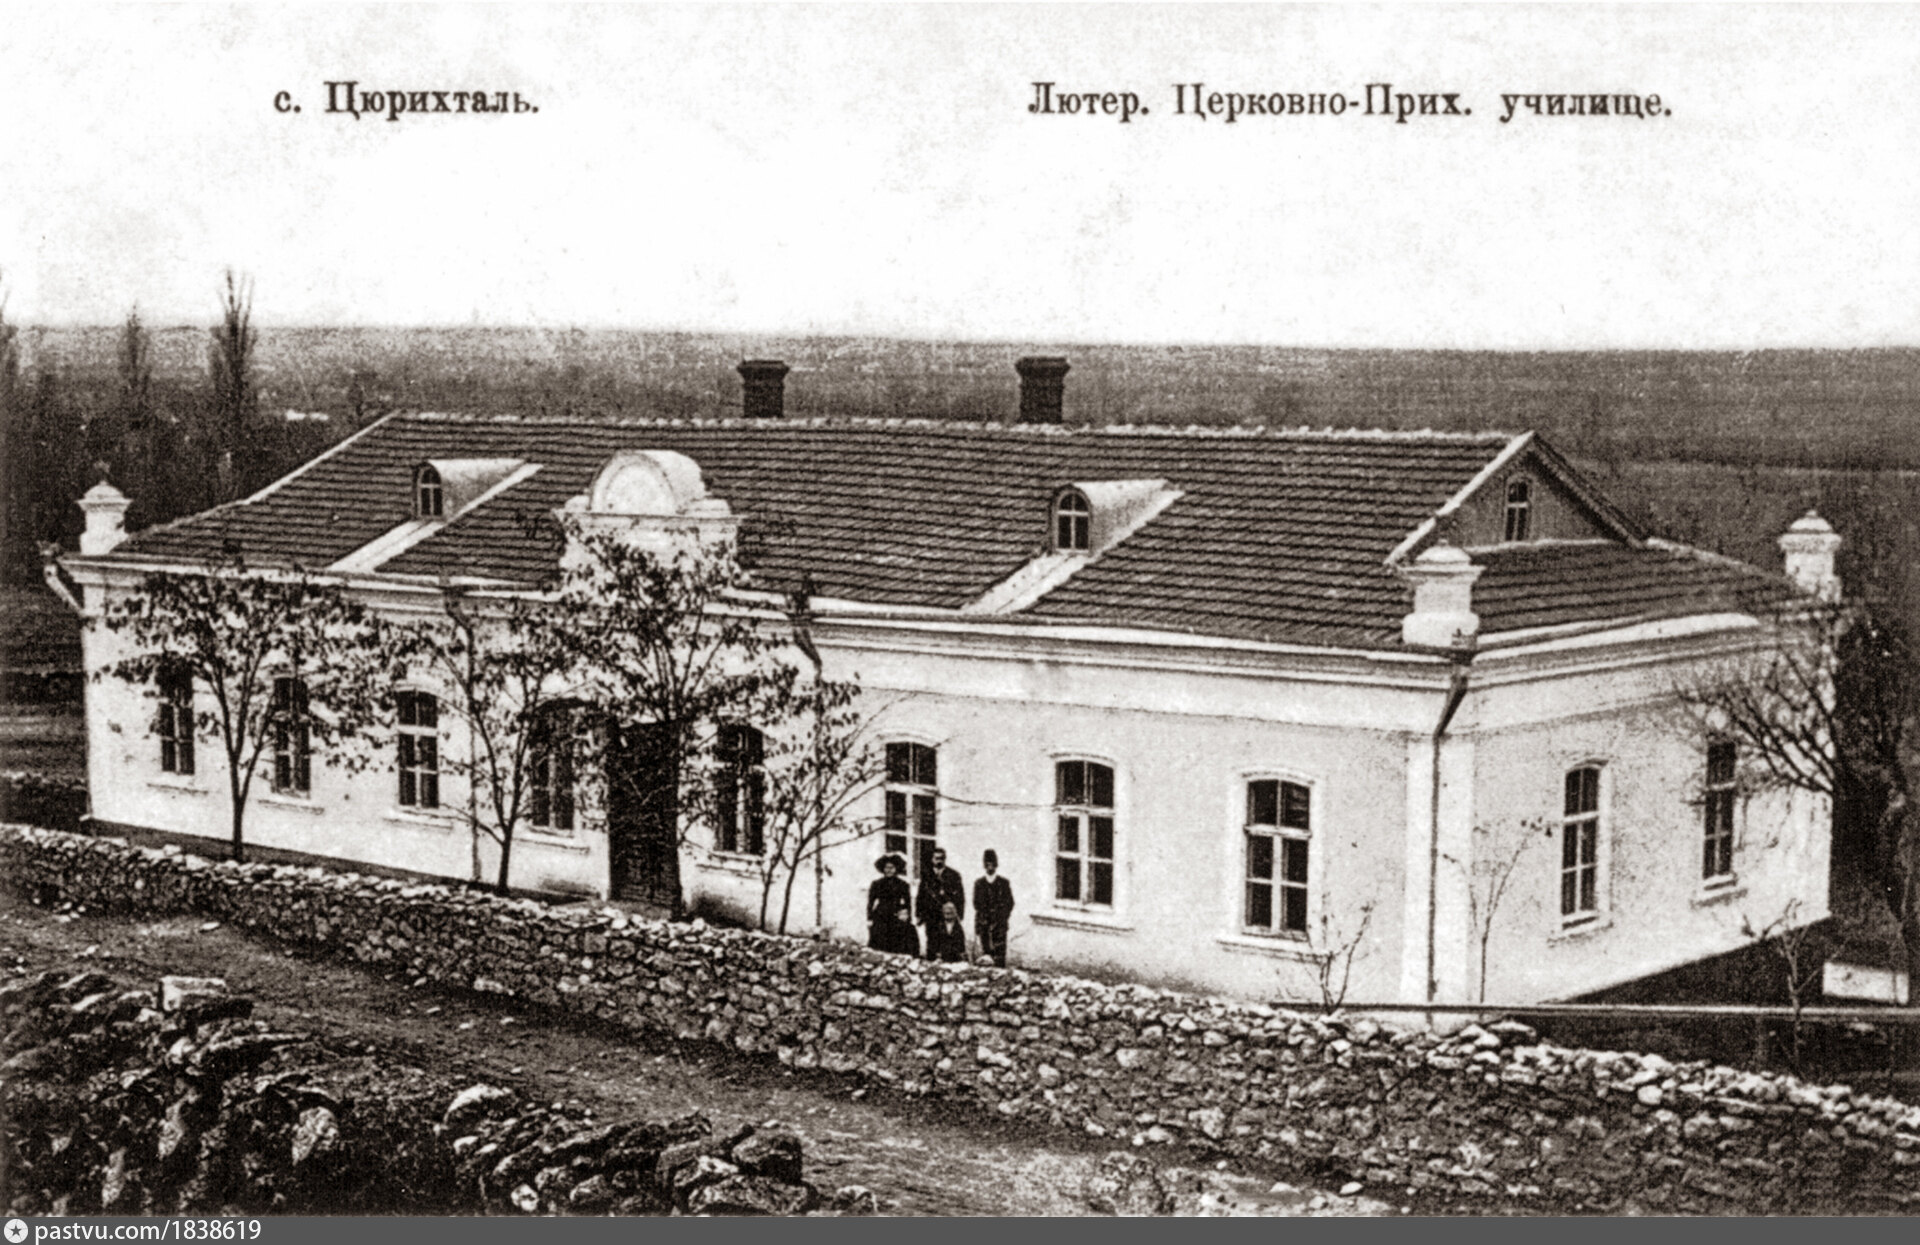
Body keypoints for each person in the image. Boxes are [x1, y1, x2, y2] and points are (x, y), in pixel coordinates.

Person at [915, 847, 967, 955]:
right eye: (936, 858)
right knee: (932, 943)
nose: (939, 861)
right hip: (931, 915)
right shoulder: (927, 875)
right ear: (932, 859)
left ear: (945, 859)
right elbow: (921, 895)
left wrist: (959, 914)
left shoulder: (953, 875)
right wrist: (919, 914)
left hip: (947, 916)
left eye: (941, 858)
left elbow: (960, 897)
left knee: (948, 943)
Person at [867, 854, 918, 956]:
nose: (889, 870)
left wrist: (907, 917)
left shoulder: (903, 884)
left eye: (892, 868)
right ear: (883, 869)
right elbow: (870, 903)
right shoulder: (877, 884)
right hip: (881, 915)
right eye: (886, 868)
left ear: (897, 869)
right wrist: (869, 919)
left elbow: (908, 904)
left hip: (896, 915)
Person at [973, 849, 1015, 967]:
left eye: (992, 864)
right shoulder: (979, 883)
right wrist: (982, 921)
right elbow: (976, 904)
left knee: (999, 953)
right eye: (987, 864)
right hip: (984, 924)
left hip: (999, 924)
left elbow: (1010, 903)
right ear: (984, 865)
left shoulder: (1004, 883)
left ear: (996, 865)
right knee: (986, 953)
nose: (990, 867)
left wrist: (1001, 917)